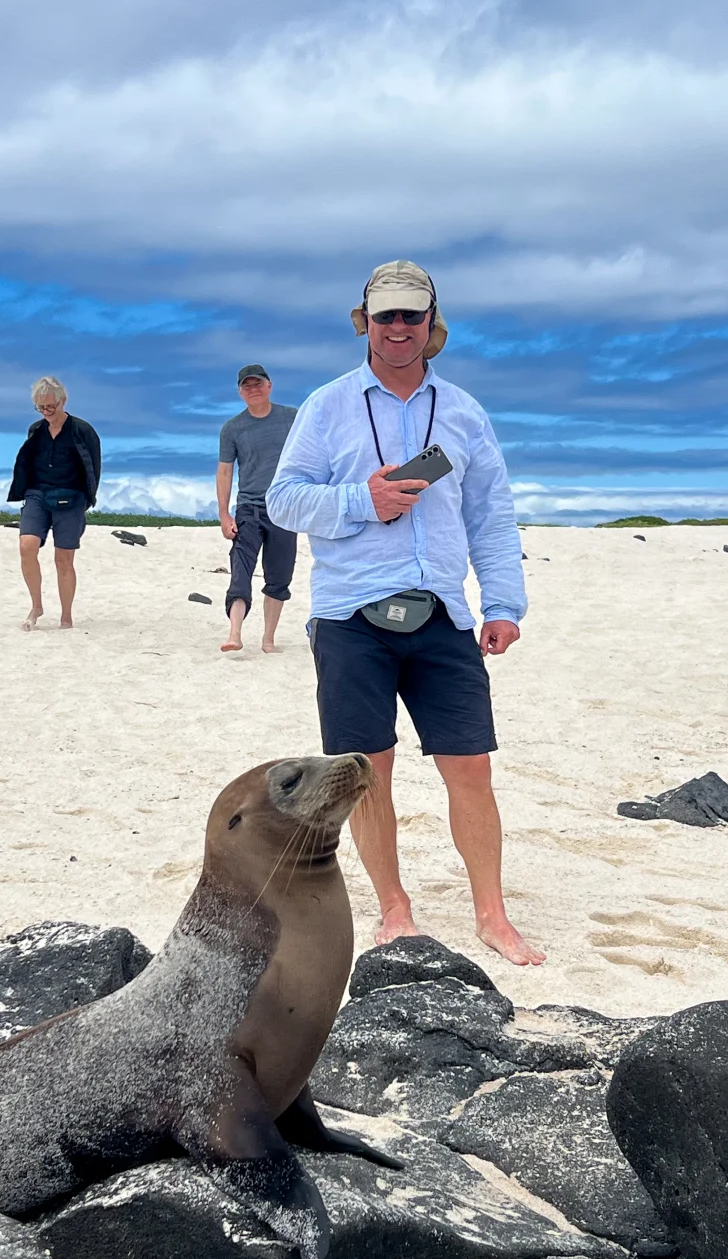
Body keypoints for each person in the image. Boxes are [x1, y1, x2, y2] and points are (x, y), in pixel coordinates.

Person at [267, 261, 543, 967]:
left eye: (411, 316)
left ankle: (493, 913)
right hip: (349, 615)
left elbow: (491, 513)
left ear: (431, 323)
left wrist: (504, 602)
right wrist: (365, 500)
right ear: (366, 320)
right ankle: (395, 908)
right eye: (385, 315)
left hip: (443, 613)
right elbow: (284, 501)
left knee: (471, 767)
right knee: (369, 771)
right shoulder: (327, 407)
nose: (398, 328)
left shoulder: (462, 412)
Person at [7, 376, 101, 631]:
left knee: (64, 560)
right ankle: (36, 605)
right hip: (37, 494)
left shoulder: (82, 430)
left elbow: (93, 468)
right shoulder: (36, 430)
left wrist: (85, 500)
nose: (47, 412)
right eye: (41, 407)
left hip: (71, 498)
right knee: (27, 546)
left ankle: (66, 616)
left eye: (51, 406)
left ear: (63, 401)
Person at [216, 364, 298, 653]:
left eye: (258, 383)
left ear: (269, 385)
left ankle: (268, 640)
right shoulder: (232, 428)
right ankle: (235, 634)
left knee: (279, 576)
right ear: (240, 391)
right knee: (241, 570)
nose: (253, 389)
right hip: (248, 508)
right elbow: (225, 472)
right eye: (247, 385)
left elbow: (314, 453)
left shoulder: (292, 418)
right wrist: (224, 514)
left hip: (284, 508)